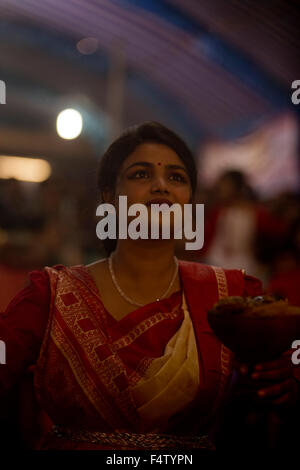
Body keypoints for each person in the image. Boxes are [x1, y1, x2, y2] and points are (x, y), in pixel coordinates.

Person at [0, 122, 299, 450]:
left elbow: (282, 373)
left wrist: (288, 374)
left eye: (177, 177)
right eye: (141, 174)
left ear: (190, 200)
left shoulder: (231, 296)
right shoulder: (51, 295)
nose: (161, 186)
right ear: (109, 196)